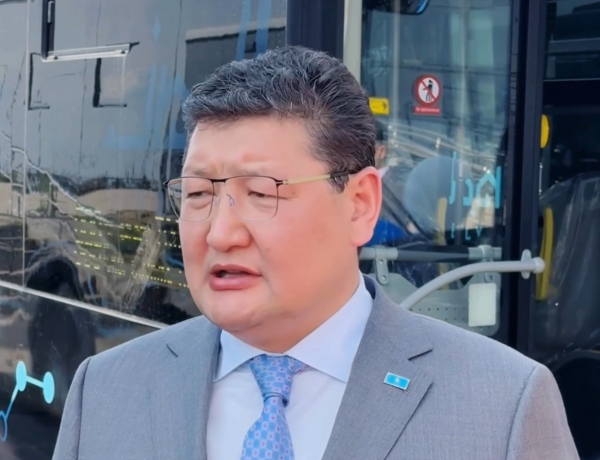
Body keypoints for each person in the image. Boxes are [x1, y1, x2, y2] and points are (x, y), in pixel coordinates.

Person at [52, 46, 579, 460]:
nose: (219, 233)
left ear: (360, 204)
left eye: (261, 193)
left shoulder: (502, 404)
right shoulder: (106, 390)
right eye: (197, 194)